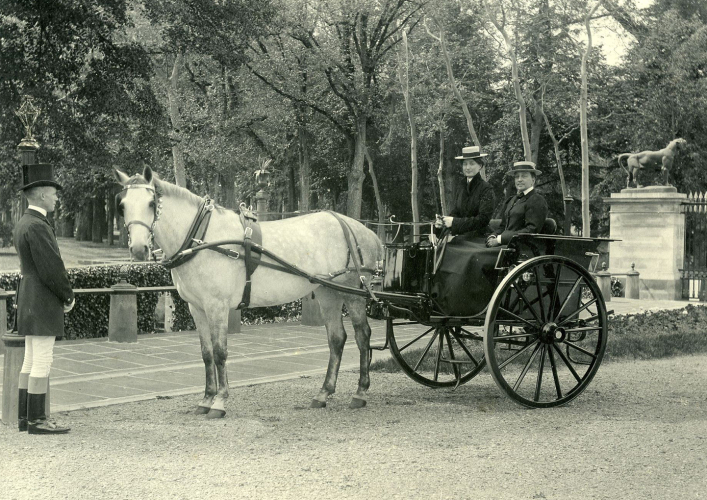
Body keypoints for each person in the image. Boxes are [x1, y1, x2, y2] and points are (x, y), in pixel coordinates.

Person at [14, 163, 75, 435]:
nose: (56, 198)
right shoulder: (38, 225)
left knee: (30, 357)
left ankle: (25, 418)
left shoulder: (24, 223)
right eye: (53, 193)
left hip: (27, 296)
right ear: (40, 195)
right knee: (42, 358)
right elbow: (52, 267)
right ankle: (37, 420)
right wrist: (67, 294)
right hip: (42, 298)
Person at [435, 145, 495, 241]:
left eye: (472, 164)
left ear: (480, 166)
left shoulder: (486, 189)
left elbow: (483, 220)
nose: (468, 167)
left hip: (479, 238)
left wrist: (454, 222)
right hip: (461, 236)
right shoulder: (461, 187)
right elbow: (456, 212)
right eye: (465, 164)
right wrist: (442, 222)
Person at [486, 161, 548, 247]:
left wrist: (500, 239)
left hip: (521, 247)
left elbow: (531, 230)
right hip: (505, 244)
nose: (519, 179)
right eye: (517, 177)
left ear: (533, 180)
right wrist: (493, 236)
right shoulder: (512, 200)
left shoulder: (536, 200)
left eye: (524, 176)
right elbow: (503, 226)